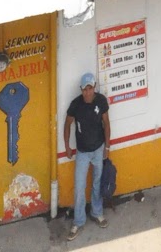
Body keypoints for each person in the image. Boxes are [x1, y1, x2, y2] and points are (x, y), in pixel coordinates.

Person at [63, 73, 111, 239]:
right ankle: (78, 221)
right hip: (82, 152)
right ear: (81, 89)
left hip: (98, 149)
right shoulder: (76, 105)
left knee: (97, 183)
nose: (87, 92)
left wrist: (107, 146)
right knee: (79, 187)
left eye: (90, 88)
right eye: (84, 89)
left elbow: (106, 123)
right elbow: (67, 124)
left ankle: (97, 213)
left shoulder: (101, 101)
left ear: (94, 87)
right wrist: (67, 146)